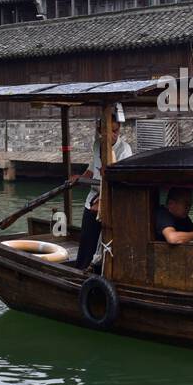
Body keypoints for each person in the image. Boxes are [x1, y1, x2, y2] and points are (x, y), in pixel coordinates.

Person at [74, 113, 133, 269]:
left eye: (116, 131)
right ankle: (81, 270)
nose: (113, 135)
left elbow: (121, 181)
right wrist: (79, 178)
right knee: (87, 240)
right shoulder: (97, 144)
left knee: (111, 241)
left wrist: (102, 200)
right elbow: (92, 168)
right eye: (110, 131)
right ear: (100, 130)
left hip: (113, 200)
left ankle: (107, 271)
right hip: (93, 199)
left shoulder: (124, 149)